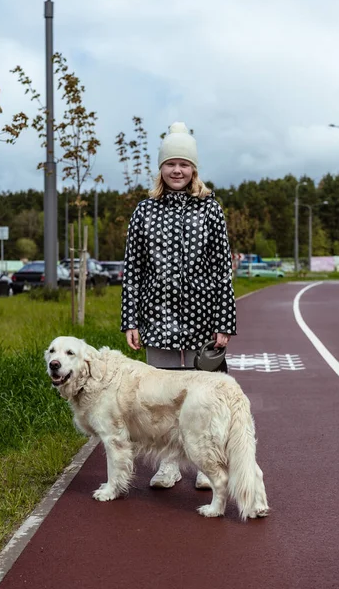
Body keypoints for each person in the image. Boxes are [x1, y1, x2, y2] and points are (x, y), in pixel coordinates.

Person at [121, 121, 237, 489]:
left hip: (203, 317)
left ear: (194, 169)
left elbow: (222, 269)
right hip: (157, 315)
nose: (177, 170)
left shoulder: (210, 209)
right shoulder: (144, 211)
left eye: (184, 164)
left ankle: (208, 463)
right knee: (159, 399)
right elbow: (133, 270)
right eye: (170, 163)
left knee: (207, 396)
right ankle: (168, 464)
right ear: (161, 168)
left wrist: (224, 322)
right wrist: (131, 320)